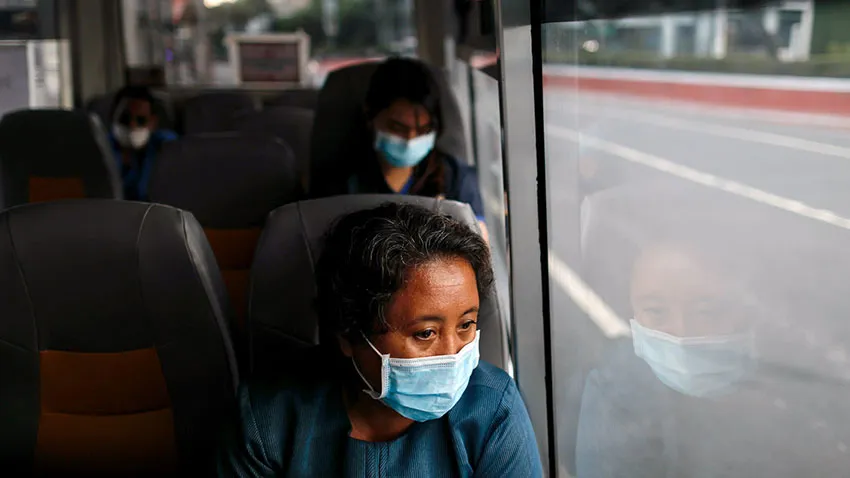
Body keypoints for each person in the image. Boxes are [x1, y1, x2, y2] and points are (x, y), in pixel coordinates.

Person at [216, 203, 542, 477]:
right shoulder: (270, 417)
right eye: (425, 333)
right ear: (349, 333)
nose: (453, 354)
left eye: (466, 325)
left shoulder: (491, 408)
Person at [318, 58, 489, 241]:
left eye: (423, 130)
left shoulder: (458, 179)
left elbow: (479, 246)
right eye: (398, 128)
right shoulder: (340, 182)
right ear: (371, 115)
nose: (410, 139)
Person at [107, 86, 177, 201]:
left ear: (153, 123)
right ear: (113, 117)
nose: (132, 125)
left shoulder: (166, 147)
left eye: (140, 120)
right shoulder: (102, 149)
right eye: (125, 118)